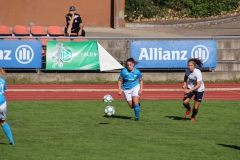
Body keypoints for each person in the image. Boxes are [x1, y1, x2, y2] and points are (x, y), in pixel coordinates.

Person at [0, 68, 15, 145]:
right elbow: (3, 91)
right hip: (2, 103)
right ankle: (11, 140)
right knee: (3, 122)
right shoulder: (2, 81)